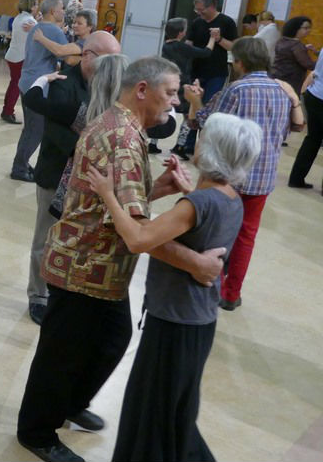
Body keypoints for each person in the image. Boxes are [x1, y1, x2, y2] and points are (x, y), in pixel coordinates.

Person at [16, 56, 229, 462]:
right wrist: (196, 263)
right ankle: (37, 431)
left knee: (113, 341)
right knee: (61, 355)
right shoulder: (122, 139)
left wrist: (159, 189)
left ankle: (68, 403)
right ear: (143, 90)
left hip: (100, 266)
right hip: (84, 265)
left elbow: (110, 204)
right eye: (170, 93)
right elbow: (139, 235)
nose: (174, 104)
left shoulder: (121, 127)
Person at [86, 113, 261, 462]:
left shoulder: (196, 204)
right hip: (198, 322)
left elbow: (137, 238)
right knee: (175, 415)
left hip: (174, 324)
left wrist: (108, 194)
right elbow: (202, 226)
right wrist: (185, 190)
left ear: (212, 150)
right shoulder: (229, 197)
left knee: (153, 416)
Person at [187, 37, 303, 309]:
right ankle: (231, 294)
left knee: (216, 230)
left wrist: (195, 99)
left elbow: (207, 122)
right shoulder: (281, 90)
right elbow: (290, 129)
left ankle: (209, 281)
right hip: (263, 176)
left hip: (228, 174)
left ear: (239, 62)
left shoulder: (237, 89)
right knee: (246, 236)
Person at [20, 31, 122, 326]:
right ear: (87, 55)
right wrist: (93, 147)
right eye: (107, 58)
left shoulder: (112, 85)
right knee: (47, 238)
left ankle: (66, 289)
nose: (112, 65)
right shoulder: (64, 83)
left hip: (92, 182)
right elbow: (52, 130)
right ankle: (38, 295)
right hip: (57, 175)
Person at [10, 0, 67, 181]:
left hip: (26, 81)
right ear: (52, 11)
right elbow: (68, 55)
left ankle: (22, 163)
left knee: (30, 129)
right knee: (36, 130)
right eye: (62, 8)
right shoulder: (54, 31)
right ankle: (19, 168)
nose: (64, 12)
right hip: (37, 85)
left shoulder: (37, 27)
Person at [179, 0, 238, 157]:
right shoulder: (197, 22)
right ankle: (188, 145)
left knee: (208, 110)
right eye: (196, 10)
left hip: (216, 73)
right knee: (192, 107)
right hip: (196, 72)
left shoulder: (227, 22)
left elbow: (233, 47)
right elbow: (189, 44)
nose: (199, 13)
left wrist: (218, 39)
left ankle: (205, 147)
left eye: (201, 10)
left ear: (211, 6)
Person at [161, 17, 214, 159]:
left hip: (167, 82)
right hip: (182, 83)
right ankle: (179, 146)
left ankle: (153, 142)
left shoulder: (165, 46)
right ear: (181, 33)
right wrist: (213, 38)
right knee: (186, 115)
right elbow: (206, 53)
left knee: (162, 110)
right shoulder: (182, 47)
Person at [0, 0, 39, 124]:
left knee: (14, 84)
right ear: (32, 6)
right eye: (36, 4)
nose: (38, 7)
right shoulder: (30, 21)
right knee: (16, 86)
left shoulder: (19, 17)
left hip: (13, 54)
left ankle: (7, 110)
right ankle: (8, 112)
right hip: (20, 57)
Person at [290, 54, 323, 189]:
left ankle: (296, 179)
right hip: (319, 95)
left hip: (315, 95)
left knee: (313, 139)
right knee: (313, 139)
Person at [30, 9, 97, 68]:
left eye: (79, 23)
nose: (75, 25)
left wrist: (41, 38)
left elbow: (61, 52)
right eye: (74, 22)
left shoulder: (87, 42)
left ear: (90, 27)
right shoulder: (75, 38)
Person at [272, 16, 316, 91]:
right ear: (295, 28)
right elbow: (309, 65)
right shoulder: (296, 45)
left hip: (276, 75)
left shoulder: (282, 40)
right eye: (306, 28)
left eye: (309, 28)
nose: (309, 30)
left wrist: (304, 48)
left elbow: (288, 53)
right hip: (290, 81)